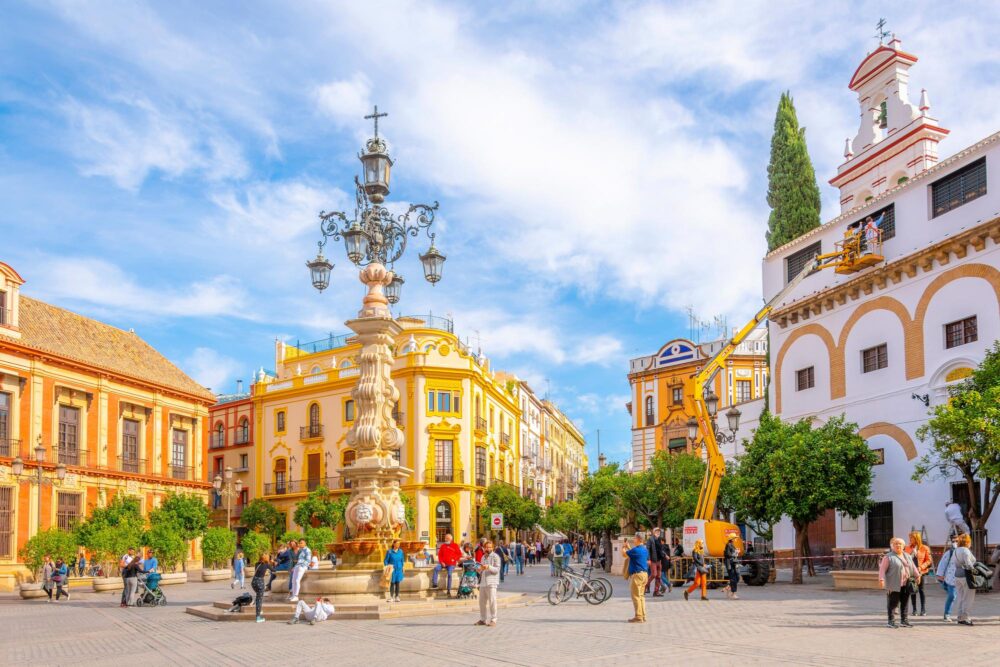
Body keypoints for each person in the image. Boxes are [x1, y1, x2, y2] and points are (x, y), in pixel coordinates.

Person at [878, 536, 921, 628]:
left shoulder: (907, 556)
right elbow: (882, 569)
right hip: (893, 583)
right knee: (893, 603)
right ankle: (891, 621)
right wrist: (881, 579)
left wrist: (917, 575)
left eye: (900, 544)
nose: (898, 545)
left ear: (903, 546)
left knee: (905, 603)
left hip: (906, 583)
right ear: (892, 546)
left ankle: (904, 620)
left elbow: (913, 567)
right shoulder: (888, 557)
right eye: (896, 544)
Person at [952, 533, 978, 626]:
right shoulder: (966, 550)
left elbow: (954, 563)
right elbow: (969, 564)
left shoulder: (955, 550)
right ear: (967, 541)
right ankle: (965, 617)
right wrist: (974, 570)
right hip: (966, 576)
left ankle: (959, 617)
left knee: (960, 597)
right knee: (968, 598)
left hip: (957, 575)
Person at [622, 535, 649, 623]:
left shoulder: (635, 550)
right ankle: (643, 615)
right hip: (644, 575)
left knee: (636, 596)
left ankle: (638, 616)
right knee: (641, 596)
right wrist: (628, 547)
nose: (633, 540)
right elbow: (632, 553)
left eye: (634, 539)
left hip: (637, 575)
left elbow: (624, 554)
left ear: (638, 540)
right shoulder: (644, 549)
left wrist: (623, 547)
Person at [474, 540, 501, 627]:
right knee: (481, 602)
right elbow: (482, 568)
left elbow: (497, 570)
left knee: (492, 601)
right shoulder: (483, 557)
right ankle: (483, 619)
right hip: (483, 582)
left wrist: (489, 567)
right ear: (484, 548)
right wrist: (479, 569)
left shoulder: (496, 557)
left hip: (492, 582)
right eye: (486, 547)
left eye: (490, 547)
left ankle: (493, 619)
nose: (488, 548)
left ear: (492, 548)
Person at [905, 531, 932, 616]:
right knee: (913, 590)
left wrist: (921, 567)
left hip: (921, 572)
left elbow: (929, 560)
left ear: (917, 538)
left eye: (911, 538)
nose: (910, 539)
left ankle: (923, 609)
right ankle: (914, 609)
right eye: (909, 538)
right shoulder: (907, 548)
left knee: (921, 590)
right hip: (911, 572)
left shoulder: (924, 548)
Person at [935, 538, 958, 622]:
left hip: (962, 578)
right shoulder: (950, 553)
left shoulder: (965, 551)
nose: (955, 543)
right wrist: (940, 575)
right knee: (952, 595)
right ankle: (947, 614)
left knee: (958, 597)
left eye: (957, 541)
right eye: (954, 541)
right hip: (950, 578)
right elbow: (942, 563)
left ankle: (962, 615)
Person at [250, 553, 275, 623]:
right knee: (259, 600)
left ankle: (259, 609)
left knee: (258, 597)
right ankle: (258, 617)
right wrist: (273, 563)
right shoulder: (266, 564)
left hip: (254, 582)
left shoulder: (256, 564)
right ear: (266, 558)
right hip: (260, 582)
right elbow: (274, 570)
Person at [289, 538, 311, 603]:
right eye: (300, 543)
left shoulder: (307, 550)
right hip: (297, 566)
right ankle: (293, 595)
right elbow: (299, 559)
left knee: (297, 580)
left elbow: (308, 560)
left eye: (301, 543)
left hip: (302, 566)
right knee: (293, 580)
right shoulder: (301, 550)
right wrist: (295, 566)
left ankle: (296, 596)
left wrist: (302, 566)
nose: (300, 544)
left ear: (305, 543)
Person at [645, 528, 664, 597]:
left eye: (659, 531)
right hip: (653, 560)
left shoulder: (659, 539)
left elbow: (661, 549)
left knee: (658, 576)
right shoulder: (650, 539)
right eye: (656, 531)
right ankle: (644, 587)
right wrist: (648, 559)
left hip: (659, 560)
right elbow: (647, 549)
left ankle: (656, 592)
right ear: (653, 532)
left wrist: (665, 555)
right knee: (654, 574)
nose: (658, 532)